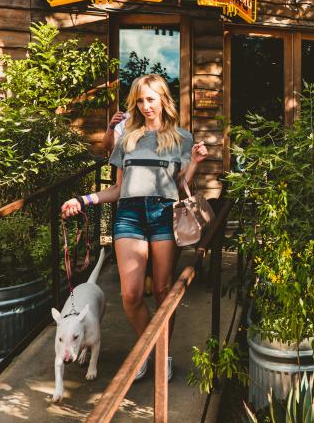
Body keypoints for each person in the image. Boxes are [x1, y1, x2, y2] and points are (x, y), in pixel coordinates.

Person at [62, 74, 209, 381]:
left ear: (163, 100)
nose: (145, 106)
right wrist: (83, 199)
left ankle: (161, 355)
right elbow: (117, 189)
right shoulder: (127, 137)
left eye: (151, 99)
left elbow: (181, 184)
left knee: (161, 290)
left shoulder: (181, 137)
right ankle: (148, 350)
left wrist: (194, 161)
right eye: (140, 100)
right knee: (130, 294)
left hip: (163, 213)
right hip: (128, 213)